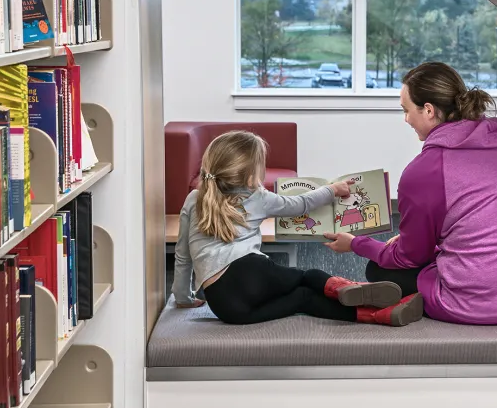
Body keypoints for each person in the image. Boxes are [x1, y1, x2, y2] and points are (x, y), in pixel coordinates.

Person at [324, 61, 497, 325]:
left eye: (406, 110)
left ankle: (408, 303)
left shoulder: (424, 171)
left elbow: (409, 257)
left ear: (429, 110)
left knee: (379, 267)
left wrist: (355, 244)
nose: (406, 119)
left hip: (483, 303)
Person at [172, 130, 424, 326]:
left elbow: (183, 255)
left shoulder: (194, 199)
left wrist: (183, 297)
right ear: (250, 176)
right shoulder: (257, 196)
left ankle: (380, 315)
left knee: (302, 299)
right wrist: (332, 190)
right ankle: (353, 289)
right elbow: (300, 203)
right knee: (307, 277)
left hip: (227, 307)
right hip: (249, 272)